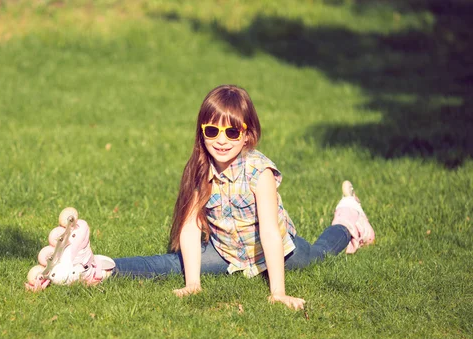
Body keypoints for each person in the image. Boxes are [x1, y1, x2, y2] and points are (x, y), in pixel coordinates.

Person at [30, 85, 375, 310]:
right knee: (172, 263)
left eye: (231, 131)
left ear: (247, 135)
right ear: (202, 133)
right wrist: (193, 284)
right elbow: (191, 230)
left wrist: (278, 293)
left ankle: (348, 219)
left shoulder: (260, 173)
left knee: (318, 254)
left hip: (279, 252)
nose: (221, 140)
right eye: (212, 131)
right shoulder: (201, 168)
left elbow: (270, 232)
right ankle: (97, 267)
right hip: (227, 253)